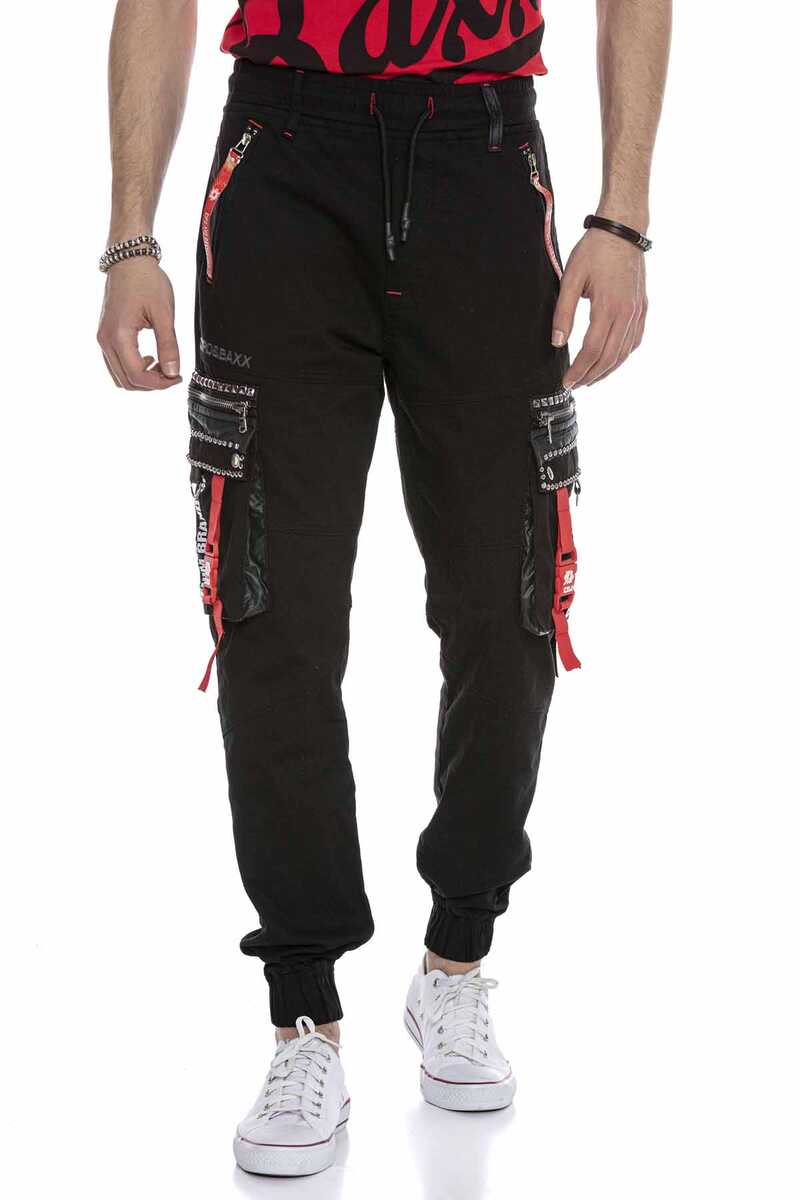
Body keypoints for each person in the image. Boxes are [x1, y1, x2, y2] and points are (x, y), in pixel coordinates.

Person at [97, 0, 670, 1178]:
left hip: (483, 157)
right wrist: (128, 237)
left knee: (511, 594)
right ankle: (302, 1010)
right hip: (281, 165)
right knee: (269, 606)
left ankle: (456, 957)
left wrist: (621, 217)